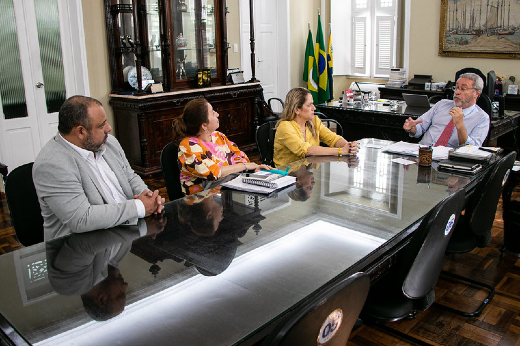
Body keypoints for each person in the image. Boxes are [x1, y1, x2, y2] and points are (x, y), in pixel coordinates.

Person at [33, 95, 165, 241]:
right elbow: (81, 219)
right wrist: (139, 207)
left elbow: (129, 176)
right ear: (81, 132)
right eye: (101, 125)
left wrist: (148, 197)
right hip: (81, 249)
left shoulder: (108, 142)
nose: (109, 128)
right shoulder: (52, 164)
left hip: (125, 234)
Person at [172, 98, 271, 196]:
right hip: (201, 201)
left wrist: (254, 168)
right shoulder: (188, 146)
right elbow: (213, 172)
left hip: (229, 192)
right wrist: (245, 166)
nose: (217, 114)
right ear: (204, 126)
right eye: (212, 112)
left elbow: (241, 158)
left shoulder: (218, 136)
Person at [273, 87, 359, 167]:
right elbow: (307, 150)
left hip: (307, 174)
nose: (314, 108)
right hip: (287, 176)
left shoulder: (314, 121)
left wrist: (349, 146)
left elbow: (333, 139)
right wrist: (341, 151)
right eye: (309, 105)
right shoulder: (284, 127)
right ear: (297, 109)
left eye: (312, 104)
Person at [403, 73, 490, 148]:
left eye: (463, 89)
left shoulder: (482, 118)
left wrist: (460, 126)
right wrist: (412, 128)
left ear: (476, 93)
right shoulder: (442, 104)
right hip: (423, 152)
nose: (457, 92)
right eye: (456, 88)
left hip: (450, 161)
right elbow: (420, 127)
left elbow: (472, 149)